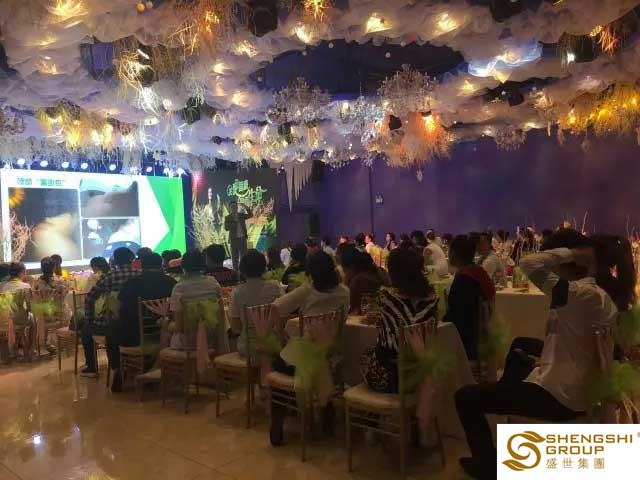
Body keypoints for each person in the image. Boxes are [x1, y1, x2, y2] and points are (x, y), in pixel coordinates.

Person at [455, 229, 629, 480]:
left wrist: (572, 253)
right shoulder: (596, 293)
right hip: (575, 385)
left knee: (465, 397)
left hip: (559, 397)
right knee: (520, 347)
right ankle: (505, 398)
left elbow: (527, 263)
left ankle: (488, 468)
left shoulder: (578, 294)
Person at [270, 251, 349, 445]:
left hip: (306, 356)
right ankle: (327, 412)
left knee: (279, 364)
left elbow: (275, 307)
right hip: (330, 354)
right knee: (311, 364)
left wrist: (280, 333)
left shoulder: (306, 291)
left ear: (311, 272)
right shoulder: (344, 292)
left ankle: (278, 420)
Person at [362, 248, 438, 393]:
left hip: (390, 377)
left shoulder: (387, 301)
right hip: (420, 374)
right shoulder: (431, 301)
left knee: (364, 354)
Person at [113, 253, 177, 392]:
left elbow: (118, 308)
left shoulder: (131, 283)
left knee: (114, 328)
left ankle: (120, 368)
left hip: (134, 336)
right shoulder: (171, 283)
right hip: (165, 333)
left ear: (142, 265)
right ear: (161, 265)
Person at [82, 247, 138, 379]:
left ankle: (93, 367)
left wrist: (89, 319)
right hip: (137, 322)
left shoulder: (110, 276)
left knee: (86, 330)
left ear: (115, 261)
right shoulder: (139, 274)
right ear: (132, 259)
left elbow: (90, 298)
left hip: (112, 322)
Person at [444, 235, 495, 361]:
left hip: (467, 343)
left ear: (453, 254)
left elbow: (457, 316)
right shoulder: (479, 272)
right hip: (483, 335)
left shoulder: (464, 279)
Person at [169, 249, 227, 353]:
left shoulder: (179, 288)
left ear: (183, 266)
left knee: (165, 331)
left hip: (188, 344)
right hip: (211, 340)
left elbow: (179, 327)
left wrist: (165, 323)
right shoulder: (213, 283)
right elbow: (221, 315)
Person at [230, 250, 283, 356]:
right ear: (264, 267)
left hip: (249, 347)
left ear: (242, 269)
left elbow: (236, 327)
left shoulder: (237, 292)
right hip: (273, 344)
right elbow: (282, 315)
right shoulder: (275, 287)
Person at [341, 249, 384, 314]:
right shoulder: (378, 274)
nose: (344, 274)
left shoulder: (358, 281)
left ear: (351, 267)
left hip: (364, 316)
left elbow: (350, 307)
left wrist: (346, 282)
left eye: (344, 270)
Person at [224, 201, 253, 270]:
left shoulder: (241, 215)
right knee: (234, 257)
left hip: (242, 238)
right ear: (230, 208)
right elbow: (226, 228)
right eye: (232, 207)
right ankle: (235, 271)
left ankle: (244, 270)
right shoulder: (228, 217)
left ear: (237, 207)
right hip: (233, 239)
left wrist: (245, 207)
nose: (234, 208)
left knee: (244, 256)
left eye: (235, 206)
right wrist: (234, 222)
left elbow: (250, 215)